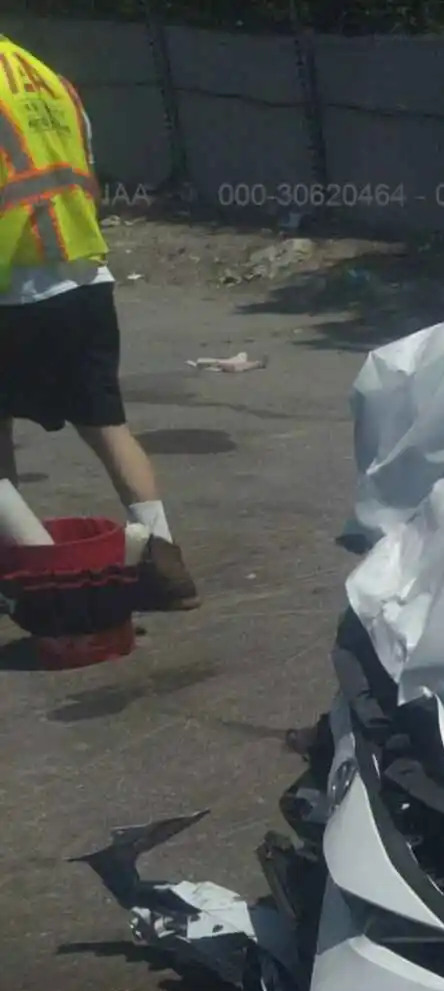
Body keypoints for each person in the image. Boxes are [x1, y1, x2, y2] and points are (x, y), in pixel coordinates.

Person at [0, 32, 198, 610]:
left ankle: (32, 571)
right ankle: (166, 565)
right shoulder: (43, 75)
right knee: (107, 425)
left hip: (12, 282)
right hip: (83, 275)